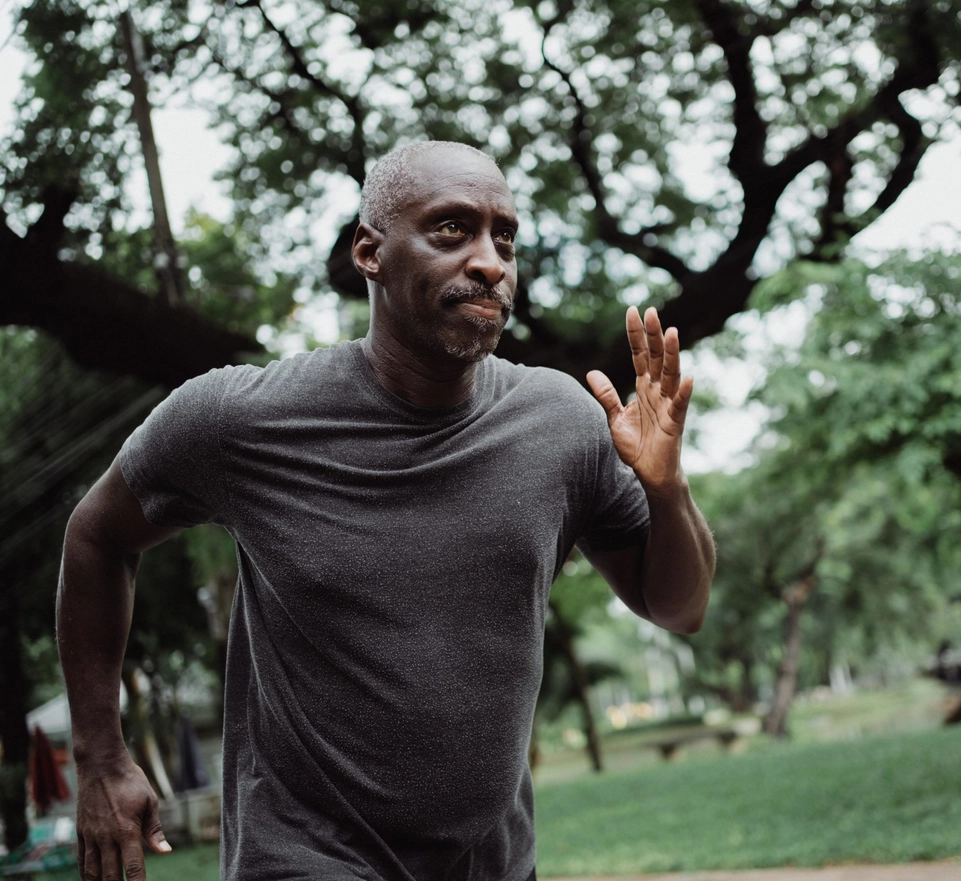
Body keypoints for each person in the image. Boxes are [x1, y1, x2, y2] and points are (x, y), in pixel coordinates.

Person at [57, 140, 715, 881]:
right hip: (304, 857)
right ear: (369, 252)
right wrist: (102, 755)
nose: (490, 261)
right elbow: (97, 534)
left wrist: (668, 488)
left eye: (505, 237)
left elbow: (678, 606)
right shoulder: (241, 420)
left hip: (494, 863)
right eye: (450, 229)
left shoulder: (561, 421)